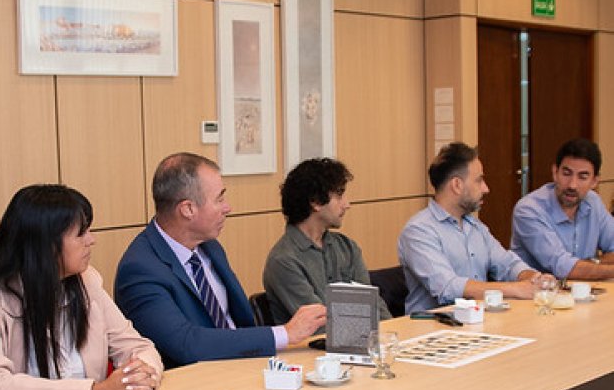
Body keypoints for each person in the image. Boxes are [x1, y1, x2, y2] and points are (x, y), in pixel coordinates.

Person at [0, 185, 163, 390]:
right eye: (81, 233)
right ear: (45, 244)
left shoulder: (87, 282)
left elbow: (138, 347)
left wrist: (138, 377)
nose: (91, 240)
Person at [114, 153, 326, 368]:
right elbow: (186, 344)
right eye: (219, 199)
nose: (227, 208)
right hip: (196, 384)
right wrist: (285, 333)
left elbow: (238, 324)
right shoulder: (140, 269)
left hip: (243, 368)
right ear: (187, 209)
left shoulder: (209, 246)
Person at [398, 142, 542, 313]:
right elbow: (448, 288)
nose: (486, 188)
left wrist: (531, 277)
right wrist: (517, 289)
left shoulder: (475, 226)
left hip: (478, 321)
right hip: (435, 329)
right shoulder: (418, 231)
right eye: (479, 180)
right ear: (457, 185)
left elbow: (507, 264)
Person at [263, 157, 390, 328]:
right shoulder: (284, 260)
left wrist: (392, 336)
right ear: (315, 202)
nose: (347, 204)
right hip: (313, 351)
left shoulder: (347, 247)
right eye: (339, 196)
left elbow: (374, 307)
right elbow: (320, 325)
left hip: (362, 345)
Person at [511, 138, 614, 280]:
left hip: (584, 294)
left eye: (582, 177)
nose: (572, 185)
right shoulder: (528, 210)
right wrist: (599, 266)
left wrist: (592, 264)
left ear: (594, 181)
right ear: (555, 172)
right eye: (566, 174)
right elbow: (561, 267)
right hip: (538, 297)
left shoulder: (593, 202)